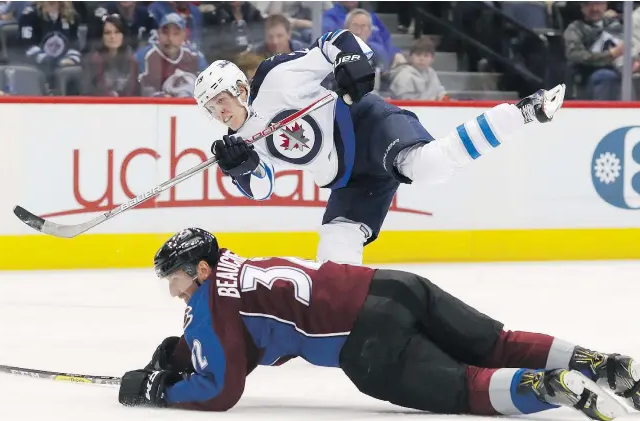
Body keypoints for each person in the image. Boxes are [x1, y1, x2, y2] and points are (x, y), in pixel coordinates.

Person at [117, 227, 640, 418]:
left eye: (177, 277)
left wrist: (165, 392)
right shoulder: (244, 265)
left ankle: (547, 387)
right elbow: (252, 344)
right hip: (394, 285)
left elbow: (221, 390)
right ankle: (606, 365)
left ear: (203, 269)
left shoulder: (209, 304)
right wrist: (191, 359)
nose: (174, 288)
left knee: (465, 388)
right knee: (495, 342)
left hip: (367, 341)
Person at [192, 28, 566, 265]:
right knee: (334, 260)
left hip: (367, 125)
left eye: (221, 99)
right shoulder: (238, 144)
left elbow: (333, 43)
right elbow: (262, 189)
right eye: (211, 108)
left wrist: (350, 59)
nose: (219, 111)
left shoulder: (276, 77)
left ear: (241, 88)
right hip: (348, 180)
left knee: (429, 167)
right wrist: (239, 169)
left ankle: (522, 112)